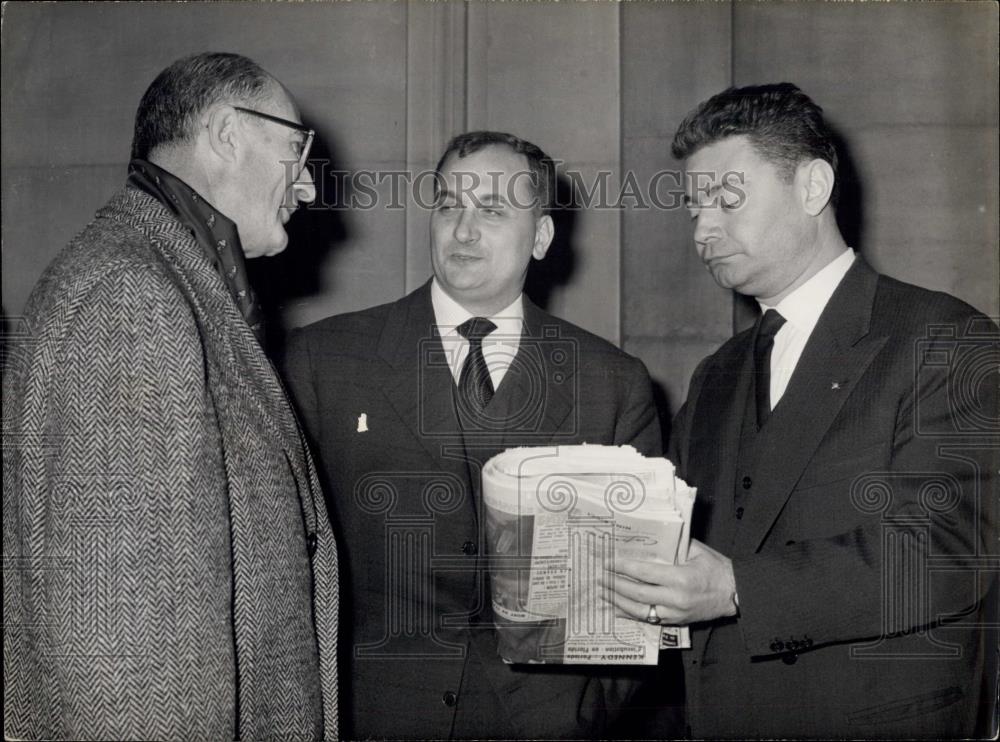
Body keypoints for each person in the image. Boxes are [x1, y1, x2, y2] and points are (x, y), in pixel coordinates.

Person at [605, 82, 999, 738]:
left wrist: (739, 590)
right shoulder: (716, 375)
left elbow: (949, 550)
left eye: (727, 198)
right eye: (693, 206)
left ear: (812, 187)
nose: (702, 228)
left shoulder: (945, 338)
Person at [284, 130, 664, 739]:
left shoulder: (610, 383)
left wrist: (581, 713)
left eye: (491, 211)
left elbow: (636, 591)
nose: (463, 230)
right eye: (449, 205)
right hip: (372, 718)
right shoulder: (324, 361)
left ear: (540, 237)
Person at [3, 53, 339, 741]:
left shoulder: (168, 277)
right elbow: (129, 661)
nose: (305, 187)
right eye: (296, 152)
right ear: (226, 134)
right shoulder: (131, 296)